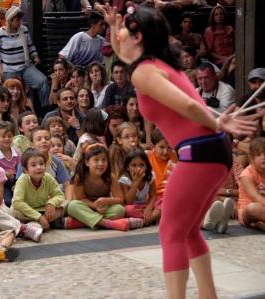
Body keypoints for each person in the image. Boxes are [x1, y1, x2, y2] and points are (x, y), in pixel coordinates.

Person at [102, 5, 259, 298]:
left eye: (124, 26)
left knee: (171, 232)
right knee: (187, 231)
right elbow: (124, 54)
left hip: (200, 151)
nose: (118, 33)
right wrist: (113, 27)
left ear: (137, 36)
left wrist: (216, 119)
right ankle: (207, 295)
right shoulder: (155, 65)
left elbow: (187, 106)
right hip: (213, 150)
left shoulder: (144, 73)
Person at [67, 143, 141, 231]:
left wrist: (107, 201)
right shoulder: (80, 176)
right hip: (87, 207)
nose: (101, 163)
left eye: (104, 160)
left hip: (104, 209)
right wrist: (94, 205)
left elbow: (120, 199)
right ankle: (108, 224)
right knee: (72, 206)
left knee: (120, 210)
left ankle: (83, 222)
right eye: (96, 160)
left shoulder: (110, 177)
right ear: (87, 162)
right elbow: (81, 198)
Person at [0, 6, 50, 108]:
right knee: (11, 90)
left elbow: (30, 45)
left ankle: (45, 109)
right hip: (9, 70)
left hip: (25, 66)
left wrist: (35, 55)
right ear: (10, 20)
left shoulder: (24, 30)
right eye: (17, 20)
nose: (20, 22)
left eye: (20, 20)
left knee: (43, 82)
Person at [11, 148, 66, 232]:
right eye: (33, 165)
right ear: (26, 170)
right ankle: (48, 223)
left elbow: (60, 195)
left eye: (41, 164)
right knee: (15, 212)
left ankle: (34, 226)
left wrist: (51, 203)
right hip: (26, 213)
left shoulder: (47, 177)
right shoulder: (22, 180)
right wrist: (39, 217)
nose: (39, 167)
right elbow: (17, 202)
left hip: (43, 210)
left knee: (64, 207)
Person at [119, 148, 160, 226]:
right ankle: (150, 219)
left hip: (145, 205)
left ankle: (143, 220)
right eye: (133, 165)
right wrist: (135, 182)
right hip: (134, 207)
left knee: (162, 203)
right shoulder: (124, 180)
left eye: (142, 165)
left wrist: (148, 208)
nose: (138, 168)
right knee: (128, 210)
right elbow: (129, 202)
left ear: (146, 166)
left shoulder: (150, 176)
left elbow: (153, 196)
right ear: (127, 167)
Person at [238, 137, 265, 231]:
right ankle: (257, 223)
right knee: (253, 208)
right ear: (252, 158)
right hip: (249, 210)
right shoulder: (246, 174)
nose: (263, 157)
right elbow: (255, 197)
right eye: (258, 154)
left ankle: (259, 224)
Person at [0, 121, 20, 207]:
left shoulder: (17, 153)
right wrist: (4, 174)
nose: (7, 139)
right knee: (7, 201)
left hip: (15, 180)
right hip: (2, 182)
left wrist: (17, 183)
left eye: (10, 136)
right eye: (3, 136)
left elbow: (20, 169)